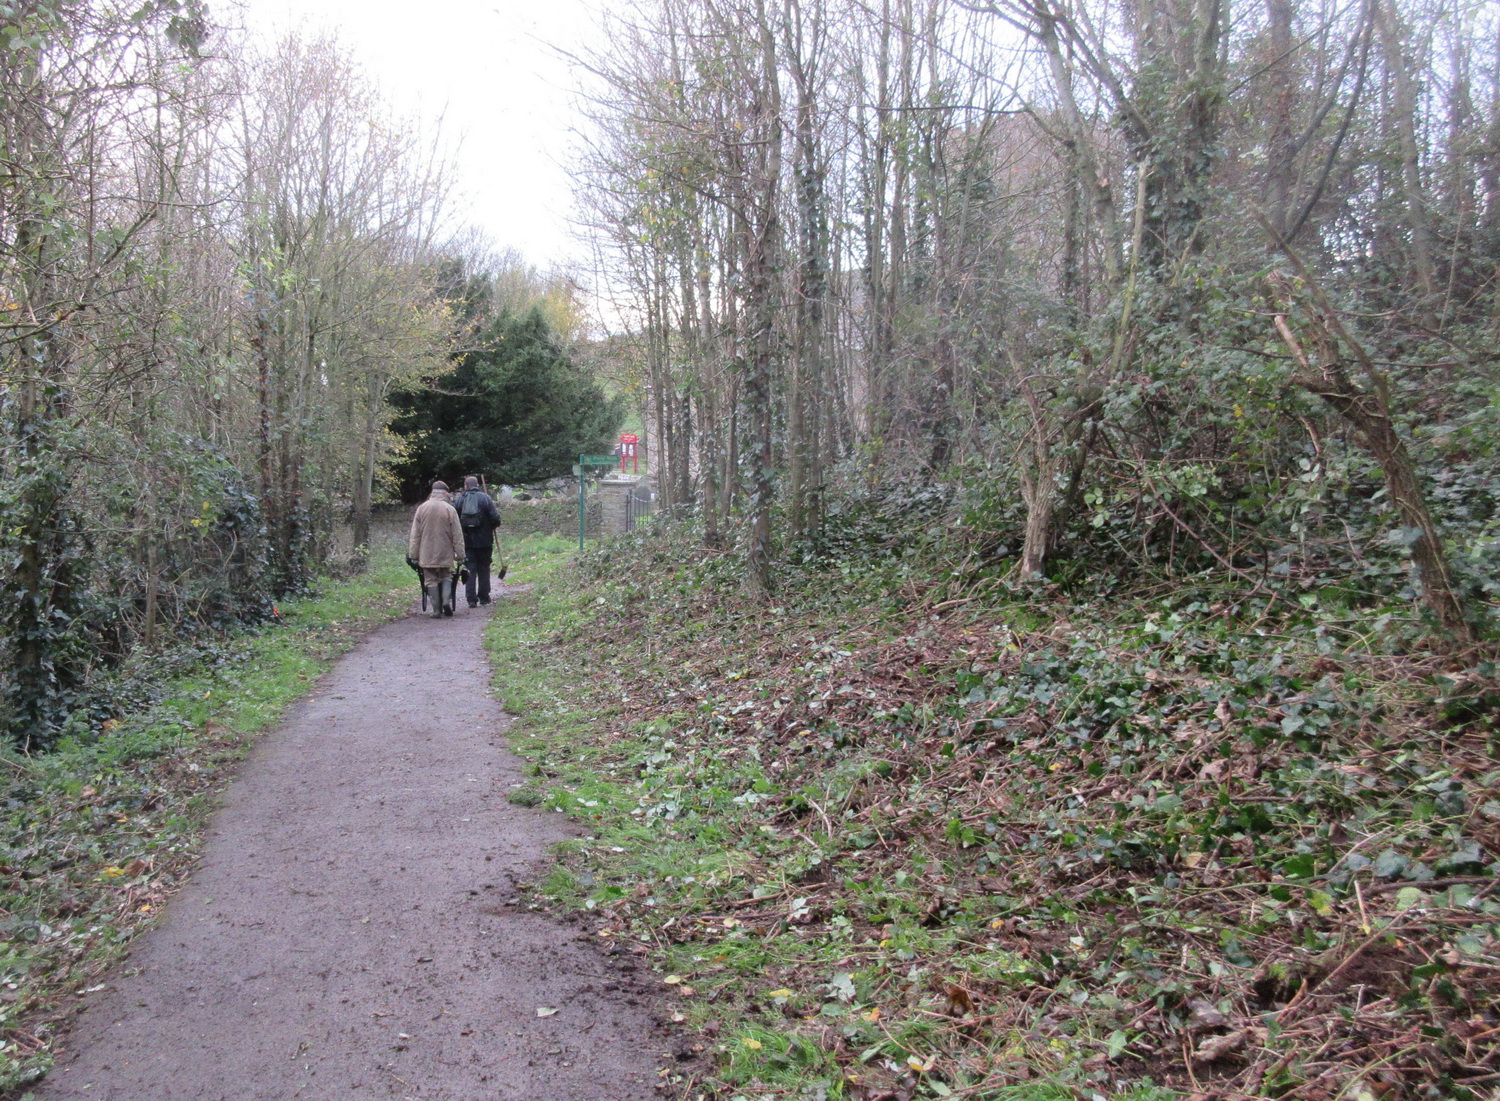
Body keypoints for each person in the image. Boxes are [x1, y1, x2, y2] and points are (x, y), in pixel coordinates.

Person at [407, 480, 465, 618]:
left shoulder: (422, 508)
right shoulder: (450, 509)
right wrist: (460, 555)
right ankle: (446, 602)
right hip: (445, 550)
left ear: (432, 492)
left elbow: (415, 535)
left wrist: (413, 554)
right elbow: (457, 534)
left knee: (430, 579)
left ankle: (436, 611)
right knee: (446, 575)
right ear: (445, 493)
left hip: (426, 551)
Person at [451, 475, 503, 608]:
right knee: (484, 568)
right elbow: (495, 518)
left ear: (465, 486)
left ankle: (471, 599)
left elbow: (454, 520)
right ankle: (484, 597)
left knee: (470, 569)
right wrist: (492, 526)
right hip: (485, 541)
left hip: (467, 541)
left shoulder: (460, 499)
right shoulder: (485, 498)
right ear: (477, 485)